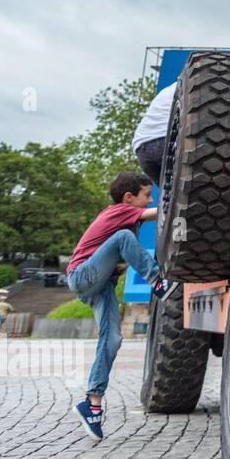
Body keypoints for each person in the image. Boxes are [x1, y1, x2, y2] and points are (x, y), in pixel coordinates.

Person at [66, 173, 167, 441]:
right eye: (147, 195)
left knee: (112, 338)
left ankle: (92, 404)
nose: (149, 200)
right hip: (81, 275)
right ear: (128, 198)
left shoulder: (123, 216)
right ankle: (157, 281)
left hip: (99, 286)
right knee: (123, 237)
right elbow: (158, 213)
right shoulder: (119, 212)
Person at [131, 82, 175, 185]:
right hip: (165, 140)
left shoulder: (167, 90)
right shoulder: (193, 85)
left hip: (141, 147)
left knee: (169, 195)